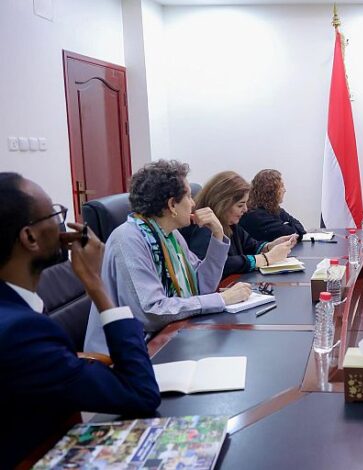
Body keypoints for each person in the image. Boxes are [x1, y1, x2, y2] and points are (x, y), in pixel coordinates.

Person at [0, 173, 160, 467]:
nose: (63, 224)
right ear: (30, 237)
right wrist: (97, 285)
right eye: (55, 214)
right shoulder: (20, 333)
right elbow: (140, 394)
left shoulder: (14, 307)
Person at [84, 160, 252, 353]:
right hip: (129, 353)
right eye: (189, 196)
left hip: (168, 336)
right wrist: (221, 300)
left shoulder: (171, 235)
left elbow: (201, 286)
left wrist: (217, 235)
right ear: (172, 205)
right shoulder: (128, 239)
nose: (193, 203)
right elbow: (152, 311)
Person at [180, 171, 294, 279]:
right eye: (240, 205)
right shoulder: (203, 228)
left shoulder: (230, 223)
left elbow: (251, 245)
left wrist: (269, 246)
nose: (245, 209)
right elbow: (219, 265)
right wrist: (265, 258)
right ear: (222, 204)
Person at [240, 169, 306, 243]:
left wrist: (288, 225)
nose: (284, 190)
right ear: (271, 191)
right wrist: (288, 225)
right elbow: (290, 233)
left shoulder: (274, 209)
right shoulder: (255, 215)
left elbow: (300, 228)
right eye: (281, 186)